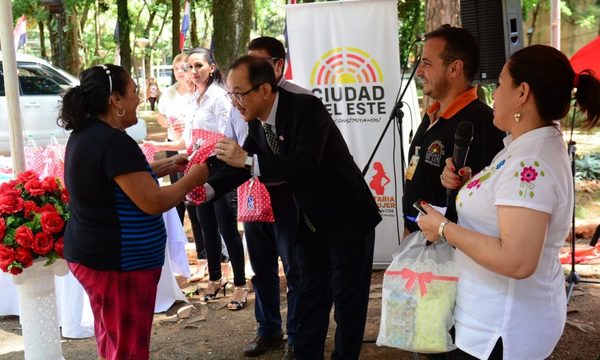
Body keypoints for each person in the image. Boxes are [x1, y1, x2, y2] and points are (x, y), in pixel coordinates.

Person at [417, 44, 600, 359]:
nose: (494, 93)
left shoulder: (531, 162)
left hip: (501, 330)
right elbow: (507, 204)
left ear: (522, 93)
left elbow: (517, 260)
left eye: (501, 84)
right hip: (489, 318)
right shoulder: (523, 147)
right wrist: (471, 185)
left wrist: (443, 228)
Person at [206, 56, 382, 360]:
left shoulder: (306, 109)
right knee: (310, 300)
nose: (234, 102)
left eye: (238, 93)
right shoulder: (259, 123)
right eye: (229, 94)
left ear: (263, 90)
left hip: (347, 220)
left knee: (347, 306)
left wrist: (247, 161)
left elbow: (305, 164)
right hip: (308, 225)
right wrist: (206, 189)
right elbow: (241, 164)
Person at [58, 64, 208, 360]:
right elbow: (152, 201)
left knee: (113, 341)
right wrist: (196, 177)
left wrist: (167, 165)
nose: (139, 98)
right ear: (115, 100)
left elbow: (121, 179)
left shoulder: (88, 134)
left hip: (97, 257)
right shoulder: (114, 142)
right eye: (134, 91)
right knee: (128, 350)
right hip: (118, 265)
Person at [231, 36, 314, 359]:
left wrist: (249, 161)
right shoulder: (241, 98)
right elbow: (235, 145)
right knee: (261, 268)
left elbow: (305, 161)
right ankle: (268, 329)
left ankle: (297, 336)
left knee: (295, 270)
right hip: (253, 196)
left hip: (289, 202)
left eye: (259, 65)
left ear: (278, 66)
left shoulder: (301, 102)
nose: (251, 71)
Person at [150, 48, 248, 310]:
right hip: (196, 167)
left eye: (198, 66)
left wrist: (209, 156)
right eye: (189, 67)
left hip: (221, 168)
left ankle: (240, 284)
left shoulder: (219, 97)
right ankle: (215, 279)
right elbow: (191, 139)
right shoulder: (193, 98)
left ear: (212, 67)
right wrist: (177, 151)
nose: (193, 72)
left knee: (227, 226)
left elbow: (229, 136)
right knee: (205, 226)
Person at [403, 25, 505, 239]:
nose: (420, 71)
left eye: (427, 64)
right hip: (418, 240)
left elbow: (486, 204)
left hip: (450, 250)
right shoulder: (433, 113)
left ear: (454, 68)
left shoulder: (483, 123)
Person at [154, 54, 207, 274]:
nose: (181, 72)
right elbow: (160, 116)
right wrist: (168, 122)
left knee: (198, 202)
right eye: (176, 69)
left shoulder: (198, 92)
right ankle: (179, 252)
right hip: (174, 145)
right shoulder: (169, 93)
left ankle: (207, 254)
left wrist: (187, 125)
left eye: (184, 68)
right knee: (180, 199)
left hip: (194, 147)